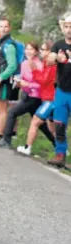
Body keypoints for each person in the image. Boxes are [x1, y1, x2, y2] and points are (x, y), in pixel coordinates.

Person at [0, 42, 56, 149]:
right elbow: (23, 78)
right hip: (26, 94)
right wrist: (19, 82)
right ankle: (56, 144)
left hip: (35, 97)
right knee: (41, 124)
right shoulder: (24, 63)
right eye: (27, 49)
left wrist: (28, 85)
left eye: (31, 49)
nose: (28, 51)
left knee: (12, 113)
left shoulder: (39, 65)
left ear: (36, 52)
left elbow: (41, 84)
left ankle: (6, 140)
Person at [47, 15, 71, 167]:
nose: (69, 30)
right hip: (62, 91)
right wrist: (55, 57)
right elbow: (49, 61)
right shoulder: (59, 45)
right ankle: (60, 155)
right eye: (67, 26)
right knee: (59, 124)